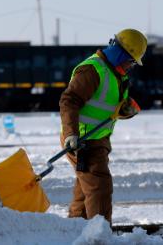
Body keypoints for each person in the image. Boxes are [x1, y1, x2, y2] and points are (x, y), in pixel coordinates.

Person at [59, 28, 147, 223]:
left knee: (86, 189)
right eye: (131, 60)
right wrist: (70, 134)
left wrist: (124, 109)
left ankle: (76, 229)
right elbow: (69, 101)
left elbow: (104, 103)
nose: (131, 66)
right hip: (82, 141)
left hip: (96, 139)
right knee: (99, 187)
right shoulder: (92, 70)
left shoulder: (115, 73)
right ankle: (99, 236)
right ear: (121, 53)